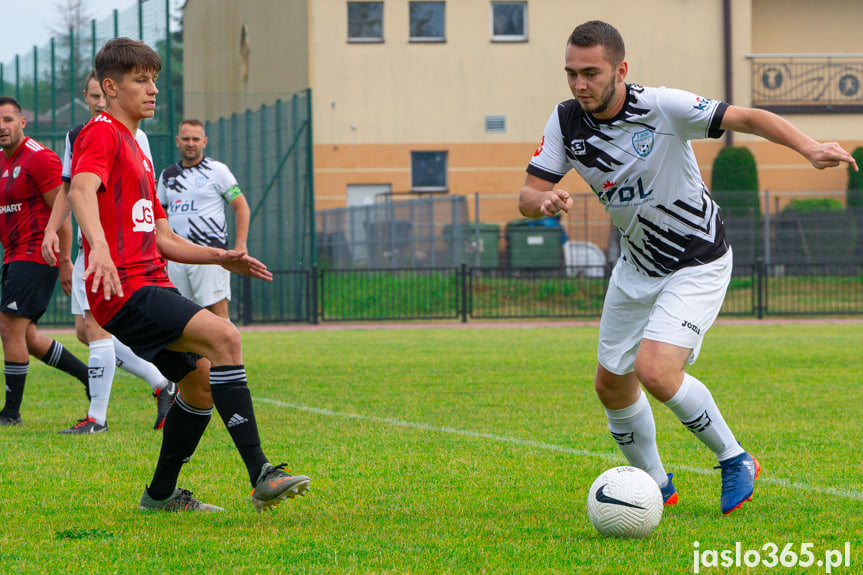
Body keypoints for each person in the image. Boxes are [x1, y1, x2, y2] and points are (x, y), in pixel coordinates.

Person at [519, 21, 858, 515]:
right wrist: (543, 200)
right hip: (635, 267)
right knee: (611, 383)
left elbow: (748, 116)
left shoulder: (661, 106)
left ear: (621, 70)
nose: (579, 84)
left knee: (654, 371)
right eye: (571, 73)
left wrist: (809, 148)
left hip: (697, 260)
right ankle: (654, 487)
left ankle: (735, 458)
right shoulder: (566, 121)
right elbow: (527, 194)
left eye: (590, 73)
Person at [67, 37, 310, 512]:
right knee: (225, 336)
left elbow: (164, 238)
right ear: (111, 87)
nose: (152, 89)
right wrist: (97, 246)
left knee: (199, 383)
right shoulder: (101, 132)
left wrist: (222, 256)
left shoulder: (137, 150)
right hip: (125, 288)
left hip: (148, 281)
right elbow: (80, 189)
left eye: (154, 79)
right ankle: (261, 473)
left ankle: (159, 496)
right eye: (141, 80)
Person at [42, 70, 177, 435]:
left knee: (97, 331)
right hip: (92, 247)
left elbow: (143, 192)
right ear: (89, 97)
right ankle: (161, 382)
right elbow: (72, 188)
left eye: (103, 98)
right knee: (86, 333)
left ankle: (96, 419)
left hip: (118, 249)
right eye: (93, 97)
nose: (100, 104)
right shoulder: (80, 136)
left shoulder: (135, 135)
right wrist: (52, 229)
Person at [0, 96, 93, 427]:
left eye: (8, 119)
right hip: (14, 255)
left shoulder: (40, 159)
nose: (2, 127)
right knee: (26, 336)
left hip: (37, 254)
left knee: (9, 325)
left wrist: (66, 261)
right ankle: (87, 376)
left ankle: (10, 413)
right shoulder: (1, 162)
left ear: (22, 123)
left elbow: (64, 212)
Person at [156, 119, 251, 320]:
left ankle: (226, 353)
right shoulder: (167, 176)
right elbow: (159, 215)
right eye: (186, 138)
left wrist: (240, 244)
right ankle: (198, 354)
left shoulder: (217, 170)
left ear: (204, 142)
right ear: (177, 141)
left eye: (195, 139)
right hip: (178, 255)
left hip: (210, 253)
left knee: (217, 315)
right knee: (181, 318)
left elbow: (241, 206)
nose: (190, 143)